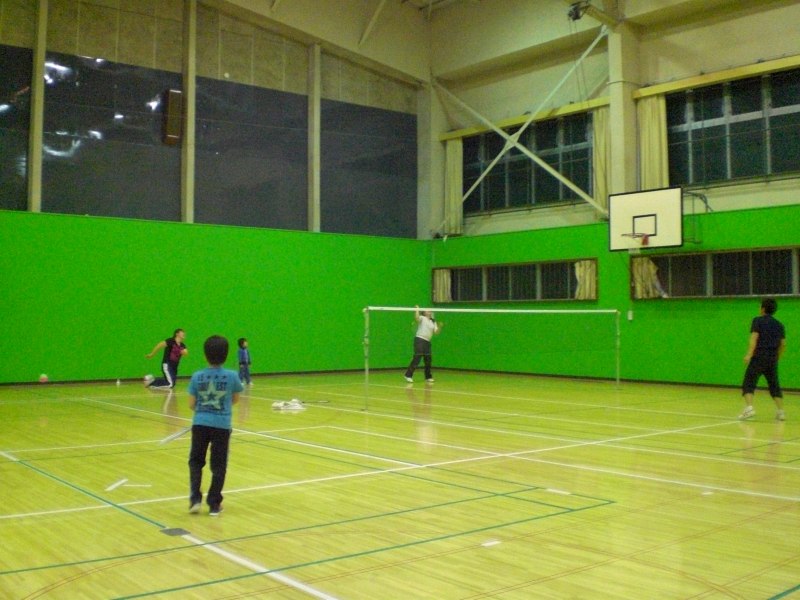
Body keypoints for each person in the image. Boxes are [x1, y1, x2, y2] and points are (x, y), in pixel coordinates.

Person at [187, 335, 243, 516]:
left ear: (205, 355)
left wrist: (204, 410)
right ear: (226, 355)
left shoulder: (197, 376)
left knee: (196, 462)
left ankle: (195, 500)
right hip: (222, 426)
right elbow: (235, 399)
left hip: (200, 424)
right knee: (219, 465)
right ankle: (214, 504)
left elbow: (191, 404)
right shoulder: (232, 376)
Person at [739, 298, 786, 421]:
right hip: (772, 358)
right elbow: (783, 344)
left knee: (748, 382)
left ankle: (749, 408)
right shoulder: (779, 325)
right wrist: (777, 357)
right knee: (774, 385)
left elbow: (754, 339)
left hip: (759, 356)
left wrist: (749, 354)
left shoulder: (757, 321)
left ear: (763, 309)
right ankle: (781, 412)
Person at [404, 305, 442, 383]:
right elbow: (417, 318)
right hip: (419, 340)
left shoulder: (433, 321)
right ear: (424, 312)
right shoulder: (422, 318)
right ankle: (408, 375)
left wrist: (440, 327)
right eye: (427, 310)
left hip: (427, 342)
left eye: (430, 310)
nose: (429, 311)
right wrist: (417, 310)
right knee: (417, 357)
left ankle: (428, 377)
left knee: (428, 359)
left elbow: (436, 332)